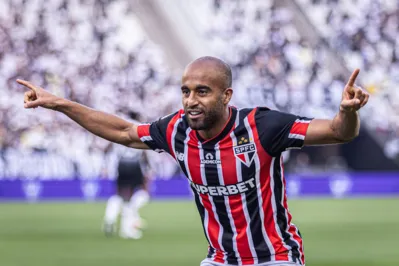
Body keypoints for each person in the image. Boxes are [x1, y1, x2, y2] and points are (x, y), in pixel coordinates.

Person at [18, 56, 369, 266]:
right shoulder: (175, 131)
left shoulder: (262, 126)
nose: (190, 100)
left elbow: (339, 132)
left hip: (275, 257)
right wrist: (59, 104)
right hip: (220, 259)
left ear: (226, 95)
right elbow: (124, 131)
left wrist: (346, 112)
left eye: (202, 91)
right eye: (185, 91)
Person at [103, 112, 151, 239]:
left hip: (121, 164)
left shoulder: (119, 125)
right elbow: (144, 149)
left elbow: (107, 148)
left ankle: (111, 217)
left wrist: (106, 164)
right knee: (140, 194)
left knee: (120, 195)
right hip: (134, 165)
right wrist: (148, 168)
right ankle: (128, 226)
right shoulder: (138, 126)